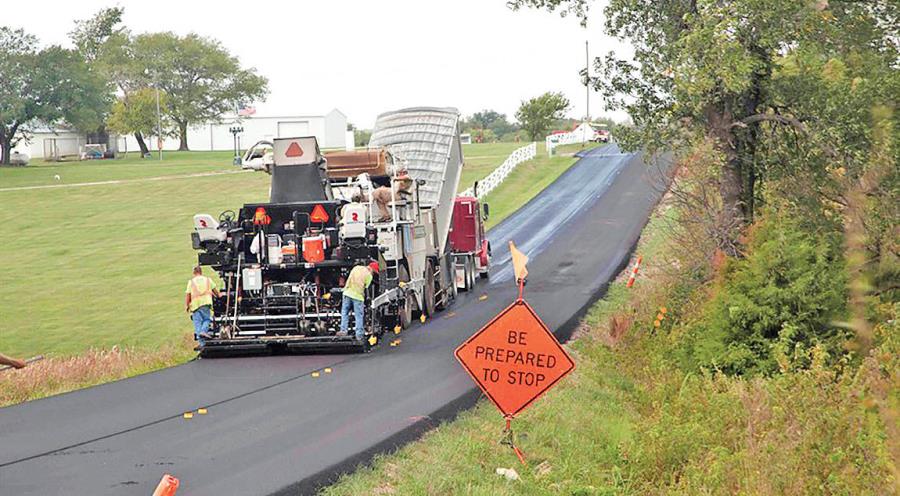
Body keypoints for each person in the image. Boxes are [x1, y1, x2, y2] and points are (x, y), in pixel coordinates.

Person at [338, 261, 379, 340]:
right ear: (371, 269)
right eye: (374, 272)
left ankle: (343, 330)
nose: (373, 273)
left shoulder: (355, 268)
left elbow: (348, 280)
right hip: (358, 297)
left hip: (347, 293)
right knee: (358, 315)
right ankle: (359, 334)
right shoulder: (369, 276)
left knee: (344, 312)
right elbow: (366, 288)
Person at [185, 266, 220, 346]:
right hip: (205, 303)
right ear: (201, 272)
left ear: (194, 273)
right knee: (207, 319)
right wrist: (219, 295)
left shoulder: (191, 282)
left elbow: (188, 295)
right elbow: (216, 292)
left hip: (195, 305)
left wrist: (187, 305)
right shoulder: (208, 280)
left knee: (197, 324)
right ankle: (203, 331)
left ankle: (202, 344)